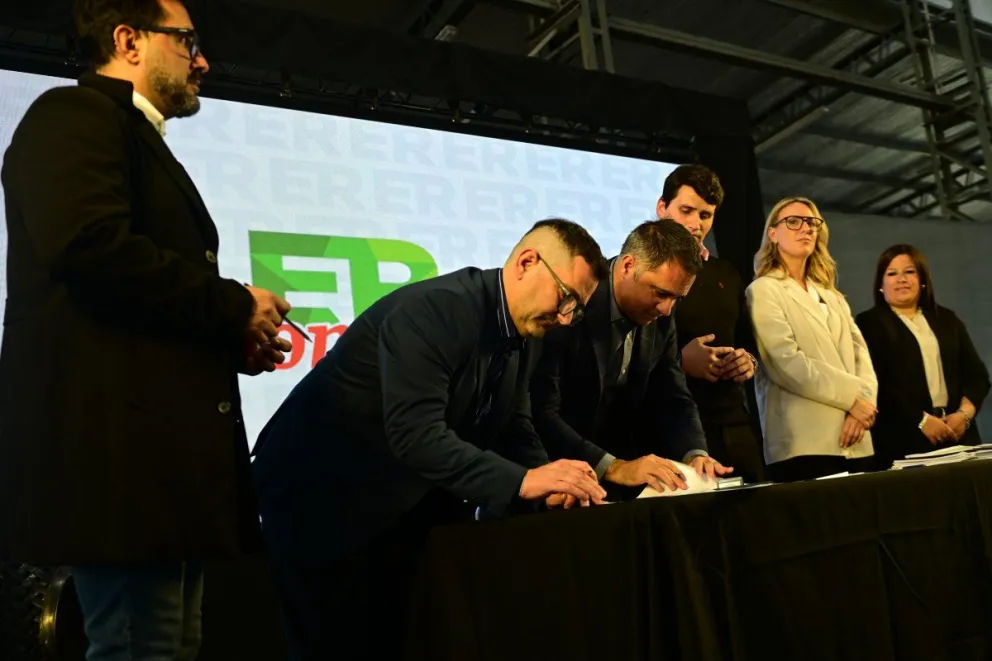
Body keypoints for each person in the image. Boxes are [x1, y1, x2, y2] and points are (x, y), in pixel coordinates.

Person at [0, 1, 294, 659]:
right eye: (187, 40)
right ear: (128, 41)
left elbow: (128, 301)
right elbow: (90, 248)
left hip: (156, 472)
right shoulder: (72, 115)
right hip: (122, 470)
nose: (203, 60)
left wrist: (227, 338)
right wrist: (231, 305)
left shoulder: (127, 134)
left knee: (167, 645)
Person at [251, 218, 610, 661]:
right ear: (526, 262)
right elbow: (416, 435)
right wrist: (523, 481)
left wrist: (548, 482)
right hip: (319, 497)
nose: (567, 318)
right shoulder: (439, 309)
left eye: (578, 309)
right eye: (566, 297)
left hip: (391, 504)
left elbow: (513, 426)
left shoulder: (527, 331)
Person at [530, 218, 732, 502]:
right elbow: (541, 411)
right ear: (628, 266)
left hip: (619, 480)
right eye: (660, 293)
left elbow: (673, 397)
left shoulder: (663, 313)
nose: (666, 309)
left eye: (677, 298)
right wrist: (613, 467)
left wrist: (695, 454)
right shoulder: (573, 300)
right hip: (553, 474)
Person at [746, 197, 878, 482]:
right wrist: (852, 399)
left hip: (855, 434)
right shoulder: (763, 290)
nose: (805, 228)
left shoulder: (832, 295)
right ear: (773, 233)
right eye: (793, 222)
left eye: (811, 223)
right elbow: (786, 363)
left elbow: (861, 356)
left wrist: (863, 408)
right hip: (803, 442)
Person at [658, 164, 765, 483]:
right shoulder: (643, 272)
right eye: (686, 210)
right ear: (662, 208)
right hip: (670, 425)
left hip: (733, 421)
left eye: (705, 215)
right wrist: (680, 361)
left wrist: (748, 361)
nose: (696, 224)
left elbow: (746, 341)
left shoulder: (727, 274)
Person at [856, 244, 990, 469]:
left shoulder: (947, 320)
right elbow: (878, 384)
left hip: (957, 435)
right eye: (892, 274)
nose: (902, 279)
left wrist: (964, 416)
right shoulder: (869, 323)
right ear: (881, 284)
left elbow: (977, 376)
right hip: (903, 440)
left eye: (910, 271)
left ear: (922, 280)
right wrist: (922, 421)